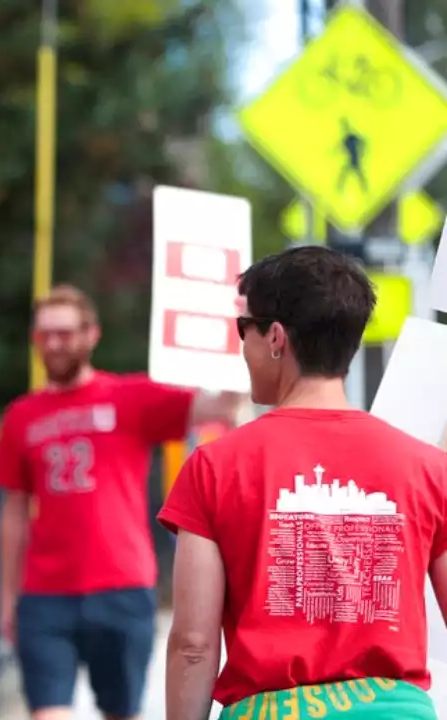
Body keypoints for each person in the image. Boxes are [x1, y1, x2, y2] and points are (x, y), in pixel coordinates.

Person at [158, 246, 447, 720]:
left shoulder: (215, 466)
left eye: (242, 328)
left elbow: (193, 644)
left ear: (275, 337)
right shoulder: (428, 468)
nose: (241, 346)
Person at [0, 283, 242, 720]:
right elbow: (13, 511)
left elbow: (218, 406)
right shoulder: (21, 416)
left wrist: (235, 335)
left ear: (91, 335)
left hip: (121, 586)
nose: (53, 344)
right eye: (44, 334)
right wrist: (7, 596)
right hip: (46, 594)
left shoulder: (130, 397)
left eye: (64, 333)